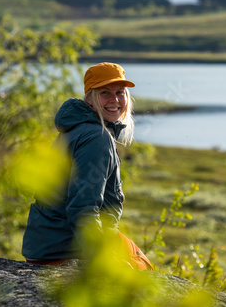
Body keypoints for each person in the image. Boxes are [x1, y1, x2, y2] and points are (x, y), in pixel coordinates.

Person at [22, 62, 153, 270]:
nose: (115, 100)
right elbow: (83, 209)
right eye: (105, 93)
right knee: (143, 269)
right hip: (63, 249)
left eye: (120, 92)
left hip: (47, 243)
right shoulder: (97, 137)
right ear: (90, 99)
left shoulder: (78, 128)